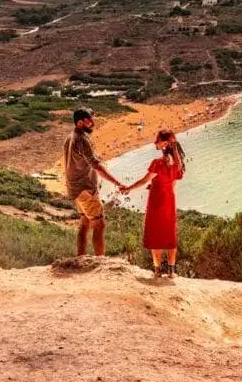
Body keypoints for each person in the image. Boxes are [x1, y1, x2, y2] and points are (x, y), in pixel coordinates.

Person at [64, 107, 127, 256]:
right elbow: (96, 166)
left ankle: (81, 258)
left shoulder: (70, 137)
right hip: (85, 189)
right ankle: (100, 262)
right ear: (80, 123)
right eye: (88, 121)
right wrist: (117, 183)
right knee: (99, 224)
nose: (92, 123)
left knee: (85, 222)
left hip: (75, 189)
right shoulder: (81, 140)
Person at [124, 129, 186, 277]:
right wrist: (158, 184)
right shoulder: (178, 163)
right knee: (170, 235)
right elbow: (172, 185)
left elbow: (145, 180)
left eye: (157, 140)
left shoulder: (157, 163)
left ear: (164, 143)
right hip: (169, 200)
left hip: (156, 202)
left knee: (155, 235)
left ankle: (158, 271)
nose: (154, 142)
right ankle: (171, 271)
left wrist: (129, 188)